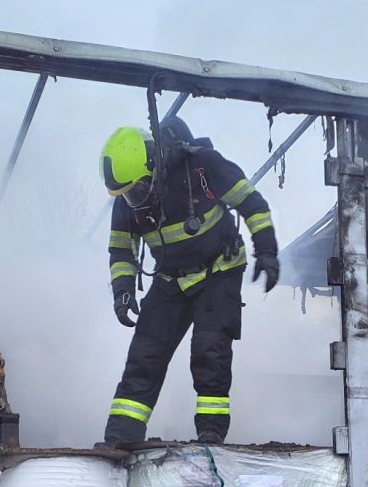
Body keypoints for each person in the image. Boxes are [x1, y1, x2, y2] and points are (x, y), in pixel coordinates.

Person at [97, 120, 279, 448]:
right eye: (126, 194)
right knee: (144, 356)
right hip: (170, 281)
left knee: (210, 351)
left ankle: (210, 435)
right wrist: (122, 292)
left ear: (154, 164)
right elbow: (121, 250)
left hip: (218, 271)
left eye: (137, 188)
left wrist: (266, 251)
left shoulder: (202, 168)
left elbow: (253, 205)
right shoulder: (125, 201)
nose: (133, 198)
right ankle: (120, 439)